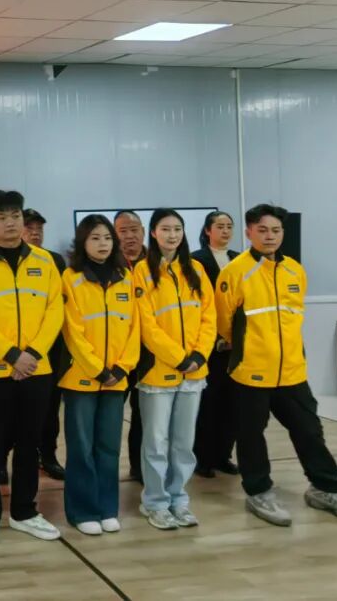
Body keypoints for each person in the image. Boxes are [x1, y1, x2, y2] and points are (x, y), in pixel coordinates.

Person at [216, 203, 337, 526]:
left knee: (309, 430)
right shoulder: (235, 272)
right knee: (251, 435)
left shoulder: (295, 270)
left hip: (292, 372)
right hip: (251, 372)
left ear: (283, 232)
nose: (270, 236)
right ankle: (259, 491)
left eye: (275, 230)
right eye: (262, 230)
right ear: (249, 232)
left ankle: (326, 487)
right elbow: (224, 323)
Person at [0, 190, 64, 547]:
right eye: (1, 217)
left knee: (29, 443)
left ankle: (24, 511)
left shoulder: (45, 261)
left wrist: (32, 353)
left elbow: (55, 309)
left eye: (15, 216)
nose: (10, 223)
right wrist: (11, 355)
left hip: (37, 369)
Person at [134, 209, 216, 530]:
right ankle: (155, 502)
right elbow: (146, 324)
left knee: (183, 442)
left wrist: (198, 355)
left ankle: (178, 499)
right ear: (153, 233)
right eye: (166, 229)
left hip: (193, 372)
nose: (172, 235)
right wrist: (178, 356)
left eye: (177, 229)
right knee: (156, 442)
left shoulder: (195, 269)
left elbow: (209, 317)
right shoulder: (142, 271)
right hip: (159, 372)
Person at [61, 214, 138, 535]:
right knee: (82, 448)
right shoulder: (71, 278)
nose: (102, 243)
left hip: (116, 378)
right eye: (95, 238)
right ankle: (82, 511)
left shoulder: (125, 277)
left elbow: (134, 327)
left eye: (107, 237)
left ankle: (107, 508)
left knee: (108, 447)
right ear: (83, 243)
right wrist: (97, 369)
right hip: (82, 378)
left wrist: (122, 367)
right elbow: (72, 331)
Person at [191, 210, 240, 477]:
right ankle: (203, 458)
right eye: (220, 226)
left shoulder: (239, 259)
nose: (225, 231)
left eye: (229, 226)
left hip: (235, 345)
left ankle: (223, 455)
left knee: (232, 403)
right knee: (208, 403)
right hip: (208, 343)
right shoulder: (196, 260)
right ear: (208, 230)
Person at [22, 208, 67, 481]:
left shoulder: (55, 260)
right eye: (30, 228)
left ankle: (48, 456)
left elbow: (59, 304)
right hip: (14, 352)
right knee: (10, 414)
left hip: (50, 348)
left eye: (39, 228)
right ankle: (3, 461)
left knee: (50, 409)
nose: (36, 233)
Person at [114, 209, 147, 484]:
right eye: (123, 231)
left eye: (134, 230)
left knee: (144, 414)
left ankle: (139, 466)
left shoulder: (157, 263)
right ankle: (106, 468)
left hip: (150, 352)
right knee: (112, 415)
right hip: (118, 353)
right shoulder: (108, 263)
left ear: (144, 232)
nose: (129, 236)